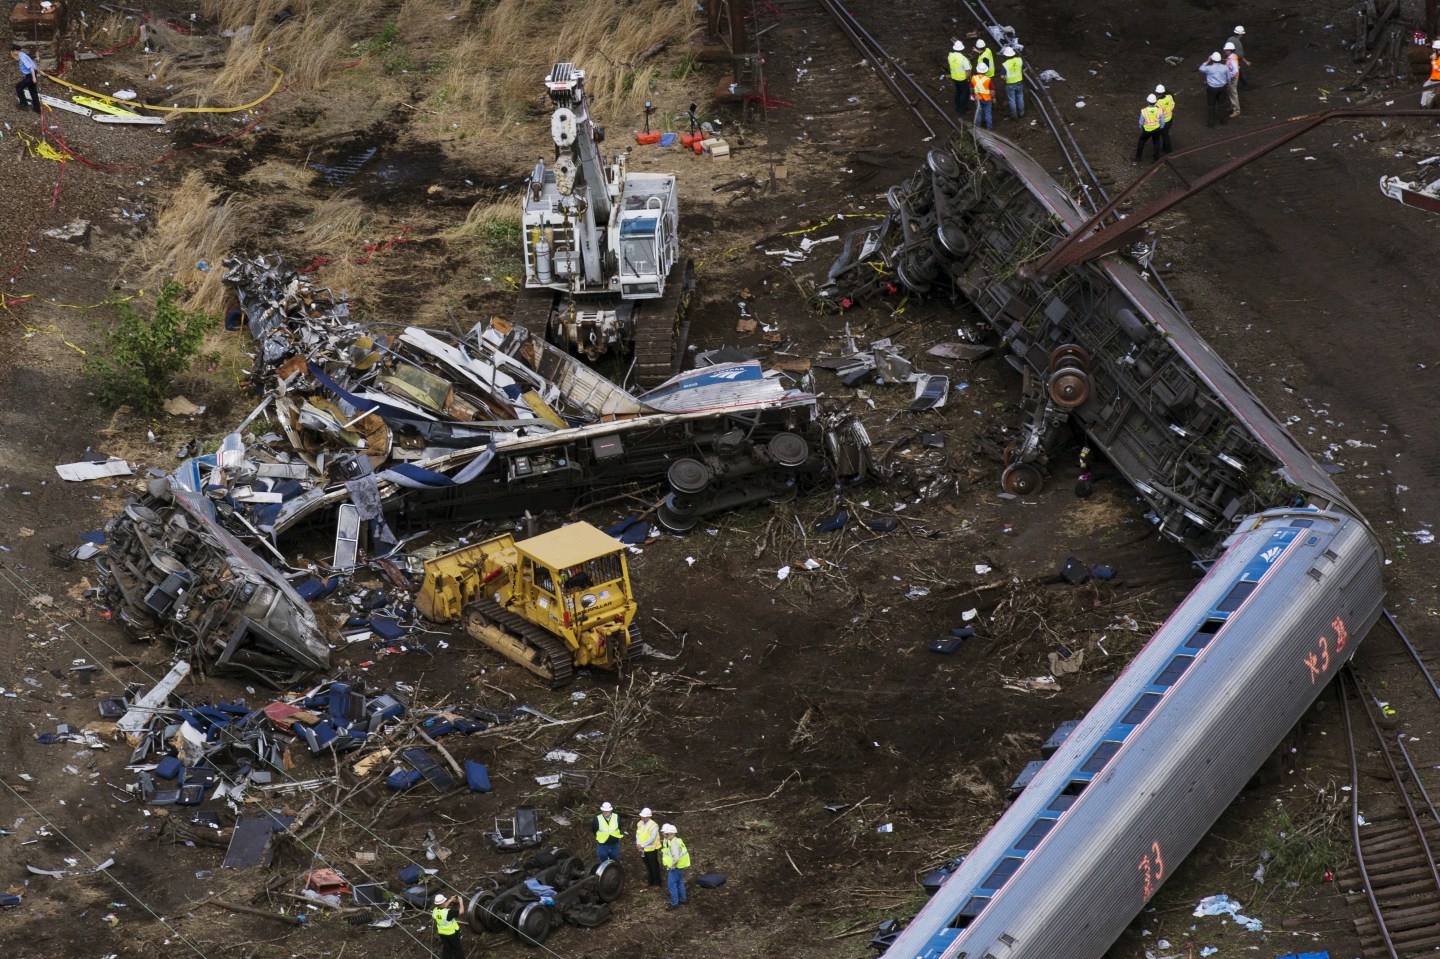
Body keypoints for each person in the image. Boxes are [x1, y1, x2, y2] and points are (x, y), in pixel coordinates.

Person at [660, 823, 690, 909]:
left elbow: (675, 858)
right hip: (681, 866)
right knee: (680, 882)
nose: (666, 835)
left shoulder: (674, 844)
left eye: (667, 834)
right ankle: (683, 900)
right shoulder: (678, 840)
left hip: (676, 867)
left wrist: (672, 866)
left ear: (672, 834)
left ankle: (674, 903)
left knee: (672, 885)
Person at [1199, 52, 1230, 127]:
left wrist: (1207, 61)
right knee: (1222, 104)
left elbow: (1200, 68)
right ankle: (1223, 120)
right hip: (1222, 88)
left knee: (1211, 105)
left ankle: (1211, 122)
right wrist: (1228, 84)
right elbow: (1228, 77)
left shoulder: (1209, 68)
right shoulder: (1225, 67)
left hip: (1212, 88)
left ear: (1212, 59)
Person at [432, 893, 466, 959]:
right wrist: (461, 901)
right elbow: (461, 911)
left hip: (442, 933)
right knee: (457, 949)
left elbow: (442, 907)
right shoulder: (448, 912)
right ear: (443, 903)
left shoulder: (435, 911)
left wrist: (450, 900)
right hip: (452, 933)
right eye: (445, 901)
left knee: (447, 948)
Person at [635, 807, 663, 886]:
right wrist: (638, 843)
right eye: (642, 816)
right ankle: (650, 881)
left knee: (654, 866)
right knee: (647, 866)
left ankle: (658, 882)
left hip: (651, 850)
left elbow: (652, 838)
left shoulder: (654, 825)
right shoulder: (639, 823)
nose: (642, 818)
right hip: (643, 849)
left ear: (648, 817)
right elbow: (638, 834)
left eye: (644, 817)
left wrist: (642, 845)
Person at [1134, 94, 1164, 163]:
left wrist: (1141, 128)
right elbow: (1162, 120)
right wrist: (1161, 127)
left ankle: (1138, 157)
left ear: (1147, 101)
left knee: (1141, 142)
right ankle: (1156, 159)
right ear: (1155, 102)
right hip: (1156, 129)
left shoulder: (1144, 111)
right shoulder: (1159, 110)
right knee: (1156, 143)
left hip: (1147, 130)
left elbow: (1141, 122)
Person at [947, 40, 972, 116]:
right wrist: (968, 79)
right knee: (964, 94)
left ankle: (957, 106)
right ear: (962, 49)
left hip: (954, 77)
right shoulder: (964, 59)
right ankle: (962, 110)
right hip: (962, 79)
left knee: (958, 91)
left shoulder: (950, 56)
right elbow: (968, 71)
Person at [12, 46, 39, 114]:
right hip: (31, 74)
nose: (12, 52)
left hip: (30, 75)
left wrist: (33, 78)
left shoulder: (22, 57)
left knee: (18, 87)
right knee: (33, 91)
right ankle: (37, 108)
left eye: (13, 51)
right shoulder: (23, 55)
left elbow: (31, 68)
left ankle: (24, 104)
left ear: (16, 50)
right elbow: (32, 63)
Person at [1000, 46, 1025, 119]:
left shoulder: (1005, 64)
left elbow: (1002, 76)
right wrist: (1021, 73)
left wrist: (1005, 79)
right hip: (1019, 82)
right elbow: (1025, 68)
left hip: (1010, 84)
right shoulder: (1019, 60)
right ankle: (1022, 113)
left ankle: (1014, 116)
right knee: (1020, 97)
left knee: (1012, 100)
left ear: (1006, 55)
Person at [970, 62, 994, 130]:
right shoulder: (988, 80)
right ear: (986, 71)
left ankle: (977, 128)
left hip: (978, 99)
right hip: (987, 99)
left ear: (977, 70)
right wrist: (993, 98)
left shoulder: (973, 78)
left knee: (978, 113)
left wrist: (972, 95)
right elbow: (992, 91)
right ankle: (989, 128)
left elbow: (971, 89)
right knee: (988, 113)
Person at [1227, 25, 1251, 90]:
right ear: (1240, 34)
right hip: (1235, 62)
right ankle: (1245, 85)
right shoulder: (1238, 43)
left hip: (1228, 60)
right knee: (1238, 73)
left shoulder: (1230, 39)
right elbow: (1239, 55)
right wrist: (1246, 61)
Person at [1154, 84, 1175, 154]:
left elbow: (1157, 114)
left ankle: (1169, 152)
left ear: (1157, 93)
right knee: (1165, 135)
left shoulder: (1158, 103)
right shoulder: (1169, 97)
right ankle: (1164, 148)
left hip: (1163, 122)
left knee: (1165, 137)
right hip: (1170, 119)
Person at [1223, 42, 1241, 117]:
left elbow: (1235, 71)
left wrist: (1228, 75)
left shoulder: (1232, 59)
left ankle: (1236, 110)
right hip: (1232, 78)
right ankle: (1233, 107)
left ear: (1230, 50)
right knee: (1230, 92)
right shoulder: (1231, 57)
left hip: (1232, 78)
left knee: (1233, 93)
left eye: (1226, 50)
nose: (1225, 51)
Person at [1424, 39, 1440, 108]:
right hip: (1432, 78)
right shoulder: (1436, 57)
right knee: (1425, 87)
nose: (1433, 51)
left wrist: (1433, 60)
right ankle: (1423, 104)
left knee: (1431, 92)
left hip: (1437, 79)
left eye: (1435, 50)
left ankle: (1428, 106)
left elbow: (1438, 69)